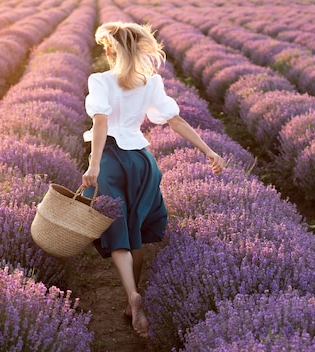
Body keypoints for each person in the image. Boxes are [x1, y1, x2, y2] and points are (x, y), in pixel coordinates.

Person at [80, 21, 225, 338]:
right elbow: (174, 119)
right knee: (137, 231)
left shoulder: (100, 80)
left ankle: (132, 295)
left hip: (111, 160)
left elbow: (101, 123)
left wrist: (93, 166)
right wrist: (210, 151)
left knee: (116, 229)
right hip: (144, 162)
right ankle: (133, 302)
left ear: (109, 50)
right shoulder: (150, 82)